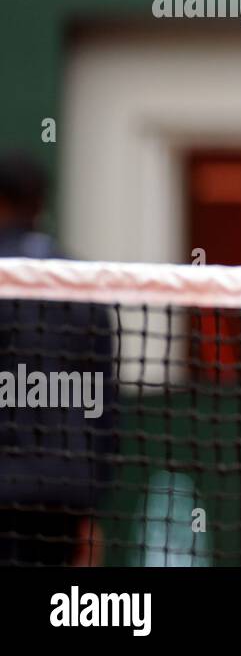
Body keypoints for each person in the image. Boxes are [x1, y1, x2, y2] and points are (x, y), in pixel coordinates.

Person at [0, 151, 116, 566]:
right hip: (67, 491)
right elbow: (103, 405)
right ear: (40, 204)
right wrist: (92, 505)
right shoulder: (82, 284)